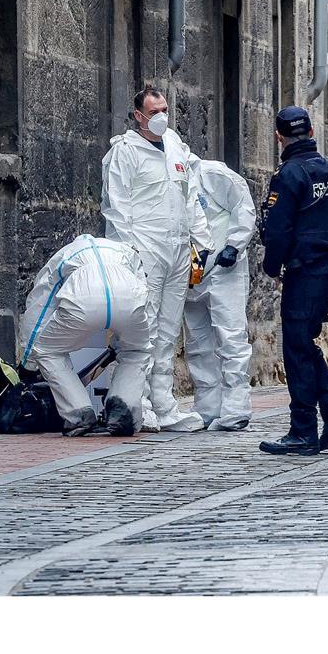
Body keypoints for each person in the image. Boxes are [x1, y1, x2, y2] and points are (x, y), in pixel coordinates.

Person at [101, 87, 214, 432]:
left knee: (167, 329)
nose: (162, 116)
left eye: (165, 108)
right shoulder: (125, 152)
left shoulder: (175, 147)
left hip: (178, 247)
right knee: (143, 328)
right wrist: (127, 253)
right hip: (145, 247)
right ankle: (140, 404)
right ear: (138, 115)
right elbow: (117, 205)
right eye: (154, 111)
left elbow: (189, 195)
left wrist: (203, 240)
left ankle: (165, 404)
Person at [257, 106, 328, 456]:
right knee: (305, 344)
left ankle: (303, 430)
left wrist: (271, 267)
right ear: (311, 131)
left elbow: (279, 231)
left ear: (279, 137)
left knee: (297, 350)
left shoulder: (289, 176)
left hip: (306, 271)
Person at [19, 234, 152, 436]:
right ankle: (122, 407)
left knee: (47, 351)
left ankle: (78, 413)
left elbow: (40, 308)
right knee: (137, 351)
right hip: (129, 298)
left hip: (83, 302)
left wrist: (28, 363)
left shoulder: (64, 255)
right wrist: (125, 339)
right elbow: (143, 292)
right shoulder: (126, 252)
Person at [182, 153, 257, 431]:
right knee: (198, 342)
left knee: (230, 335)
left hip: (225, 268)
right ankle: (208, 407)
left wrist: (235, 244)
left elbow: (243, 205)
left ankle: (236, 406)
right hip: (190, 274)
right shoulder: (165, 185)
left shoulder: (212, 174)